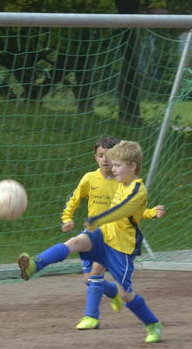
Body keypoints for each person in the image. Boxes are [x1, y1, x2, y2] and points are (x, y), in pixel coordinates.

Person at [17, 140, 163, 343]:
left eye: (117, 164)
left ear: (132, 166)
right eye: (112, 163)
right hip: (103, 235)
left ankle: (152, 323)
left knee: (125, 294)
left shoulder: (138, 191)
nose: (112, 168)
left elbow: (124, 209)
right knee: (76, 242)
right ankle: (34, 265)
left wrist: (98, 219)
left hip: (122, 246)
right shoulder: (116, 181)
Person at [61, 136, 164, 330]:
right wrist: (67, 218)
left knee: (96, 273)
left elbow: (137, 210)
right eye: (101, 156)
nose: (105, 160)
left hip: (112, 236)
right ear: (95, 157)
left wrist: (151, 213)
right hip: (91, 233)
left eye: (109, 156)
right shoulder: (89, 179)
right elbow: (73, 199)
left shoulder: (123, 181)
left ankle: (91, 317)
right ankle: (114, 293)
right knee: (89, 280)